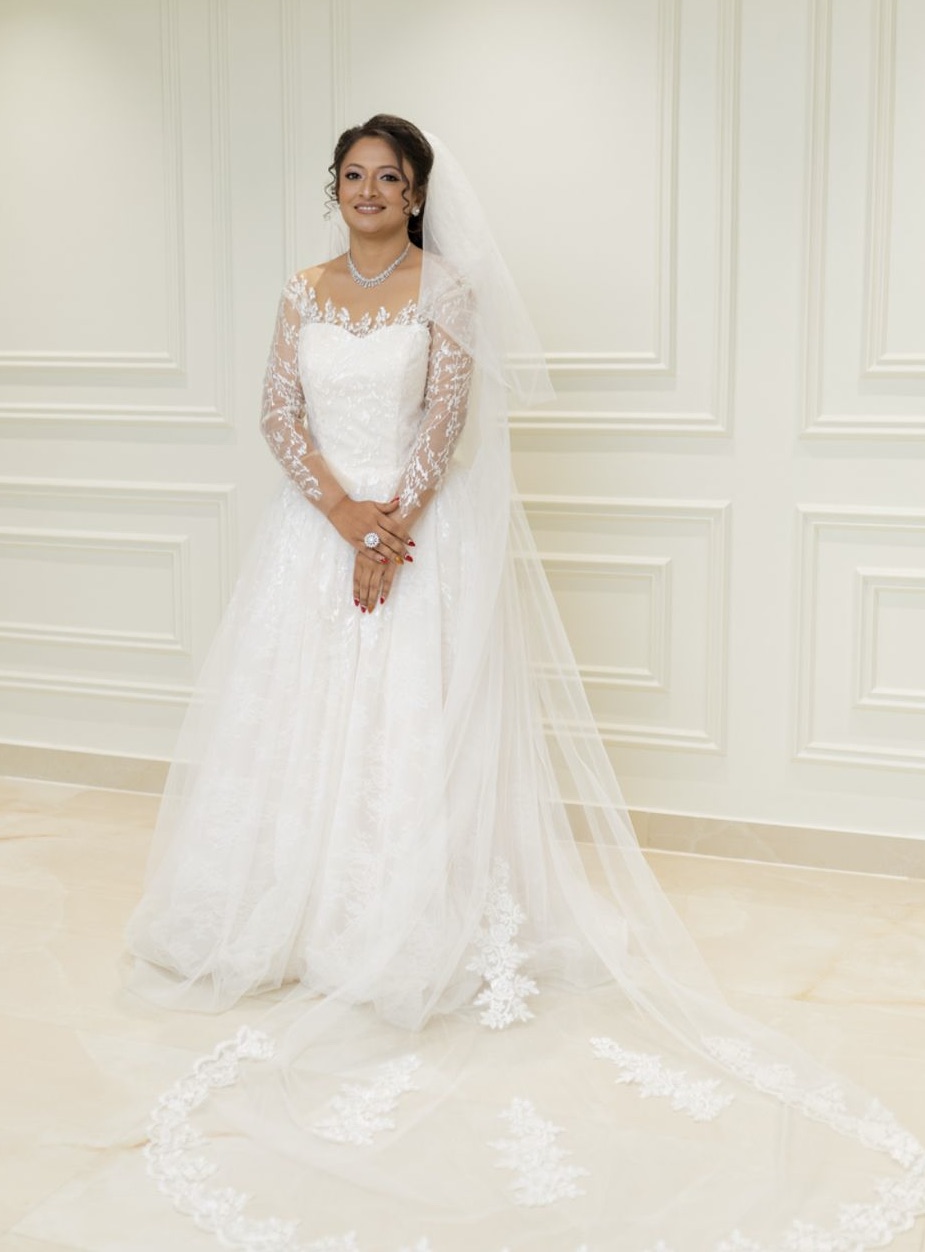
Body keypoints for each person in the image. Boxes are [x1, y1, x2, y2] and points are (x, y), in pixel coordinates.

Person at [126, 117, 925, 1251]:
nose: (366, 190)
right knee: (291, 720)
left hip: (414, 537)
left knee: (408, 724)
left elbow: (446, 423)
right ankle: (282, 909)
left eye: (386, 177)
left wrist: (388, 524)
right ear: (333, 189)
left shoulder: (444, 288)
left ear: (416, 192)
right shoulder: (299, 291)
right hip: (312, 538)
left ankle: (392, 919)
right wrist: (342, 516)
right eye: (350, 175)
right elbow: (276, 414)